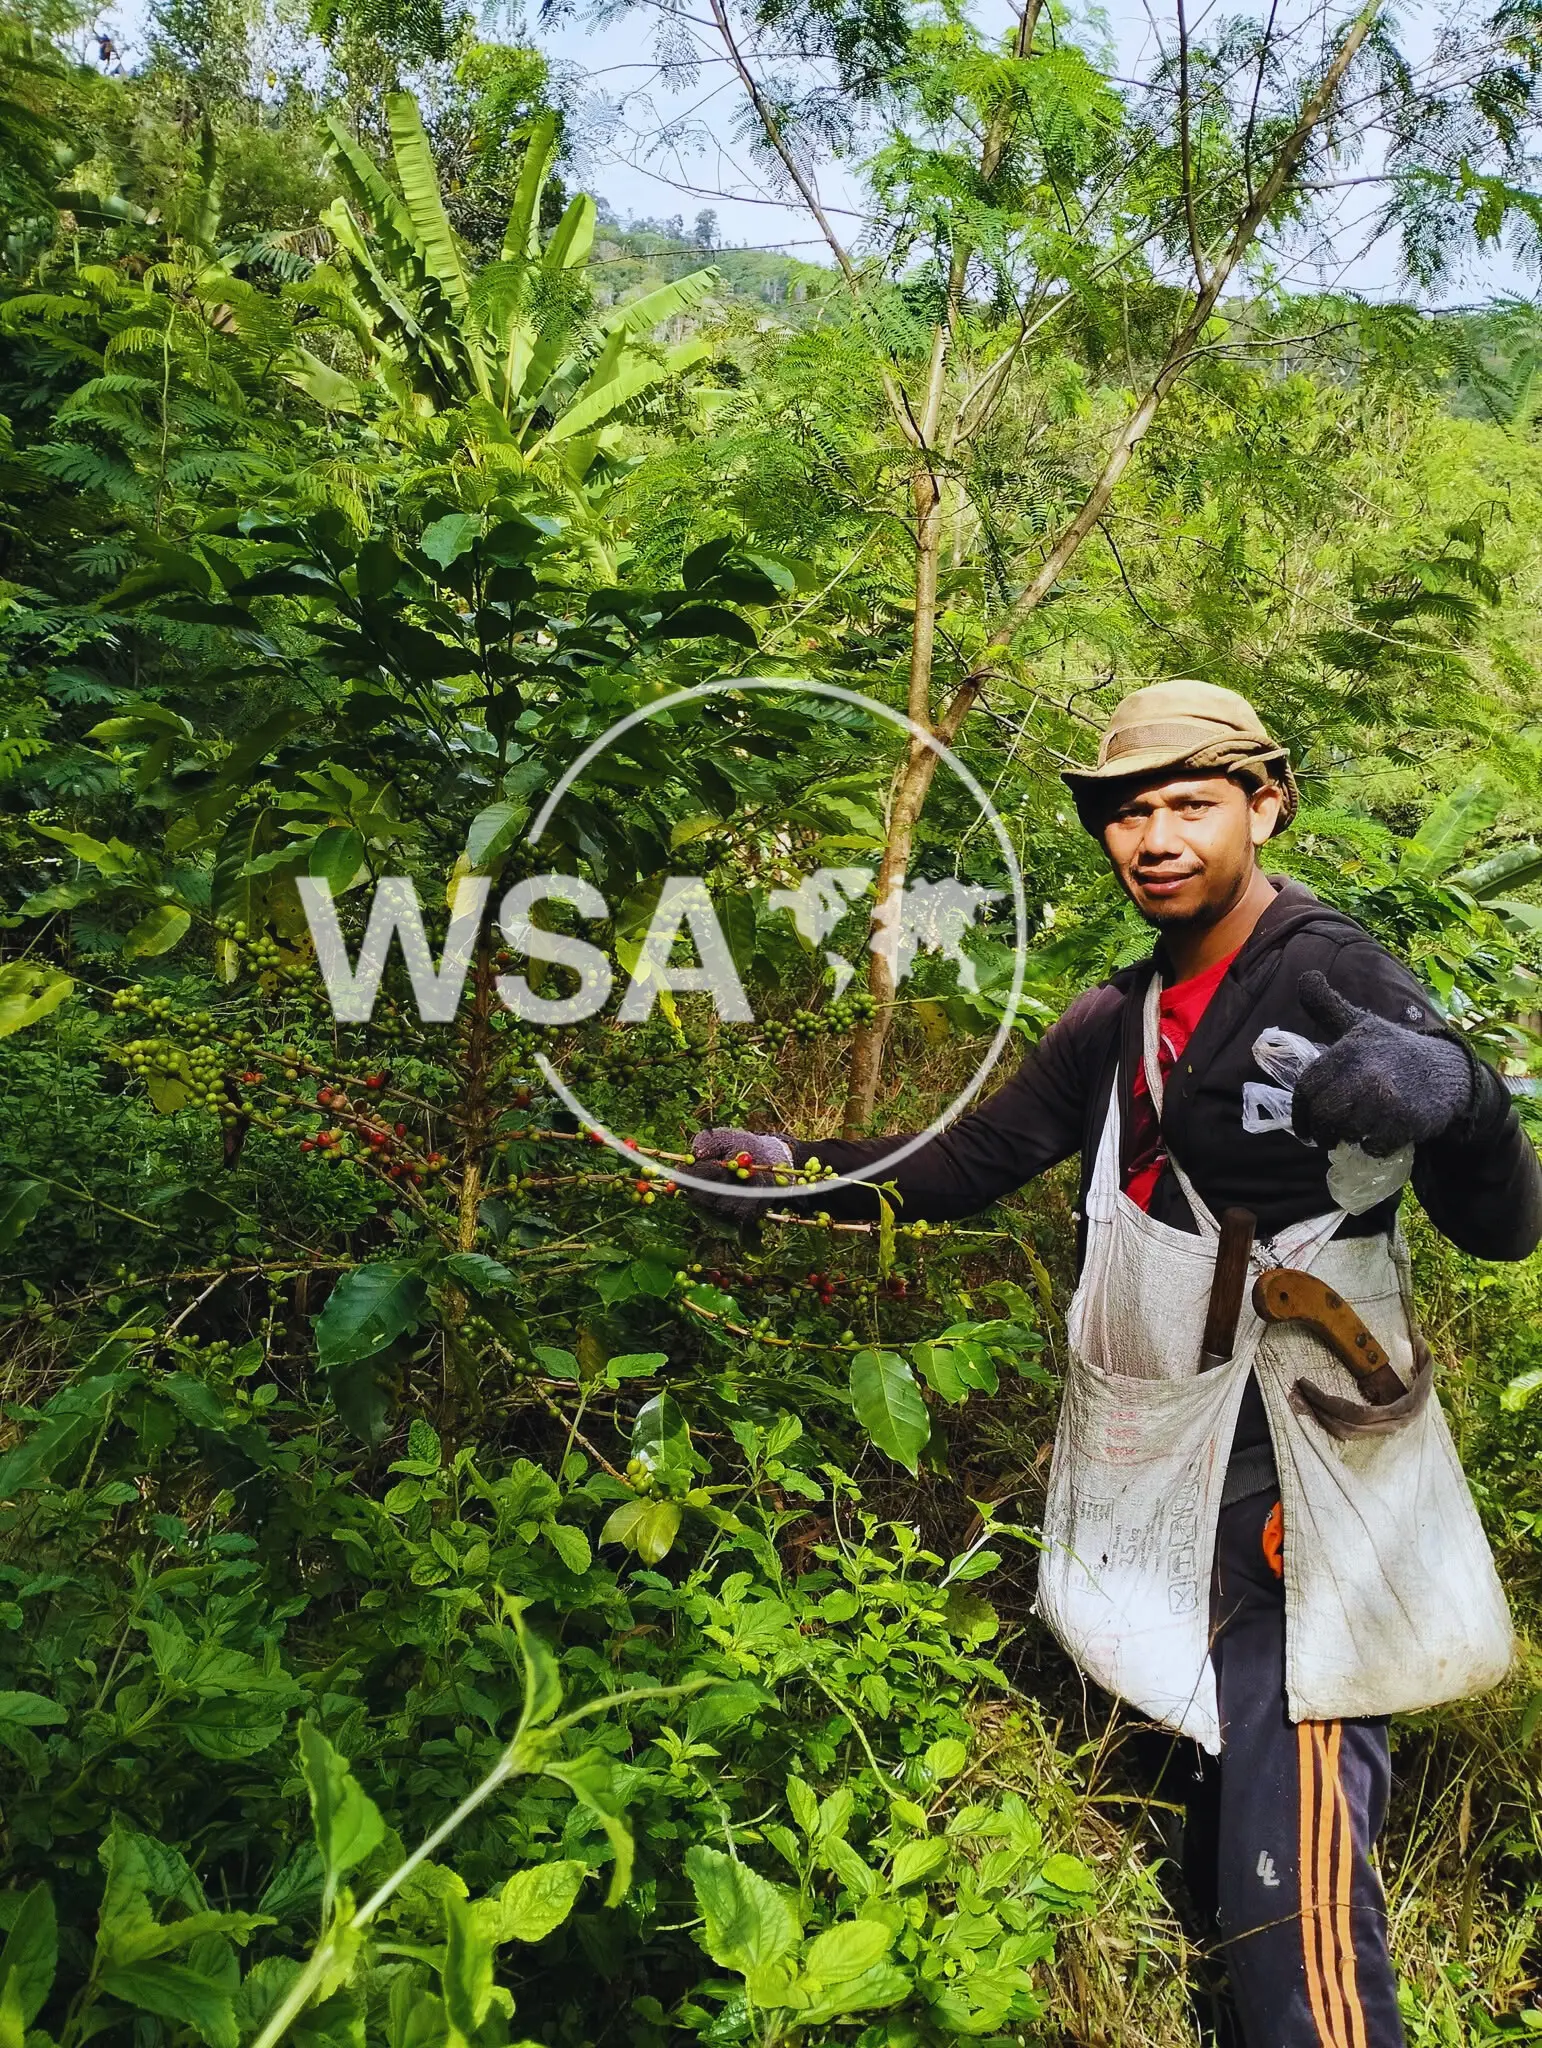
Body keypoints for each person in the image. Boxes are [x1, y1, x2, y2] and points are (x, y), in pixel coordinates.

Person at [687, 679, 1542, 2048]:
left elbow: (1501, 1226)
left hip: (1310, 1432)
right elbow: (966, 1162)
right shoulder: (1122, 1017)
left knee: (1299, 1751)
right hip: (1169, 1428)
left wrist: (1455, 1097)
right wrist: (797, 1178)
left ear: (1265, 806)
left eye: (1191, 804)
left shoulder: (1332, 973)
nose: (1154, 837)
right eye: (1128, 811)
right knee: (1207, 1738)